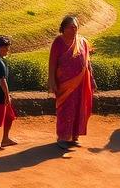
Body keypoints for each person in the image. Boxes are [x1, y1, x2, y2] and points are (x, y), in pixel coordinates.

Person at [48, 14, 95, 149]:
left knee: (79, 108)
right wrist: (52, 80)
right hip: (64, 84)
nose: (74, 30)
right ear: (63, 28)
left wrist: (92, 79)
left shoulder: (83, 42)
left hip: (80, 84)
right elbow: (52, 63)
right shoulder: (58, 42)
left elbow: (87, 62)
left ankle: (74, 136)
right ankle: (63, 137)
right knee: (65, 109)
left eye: (76, 27)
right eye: (70, 27)